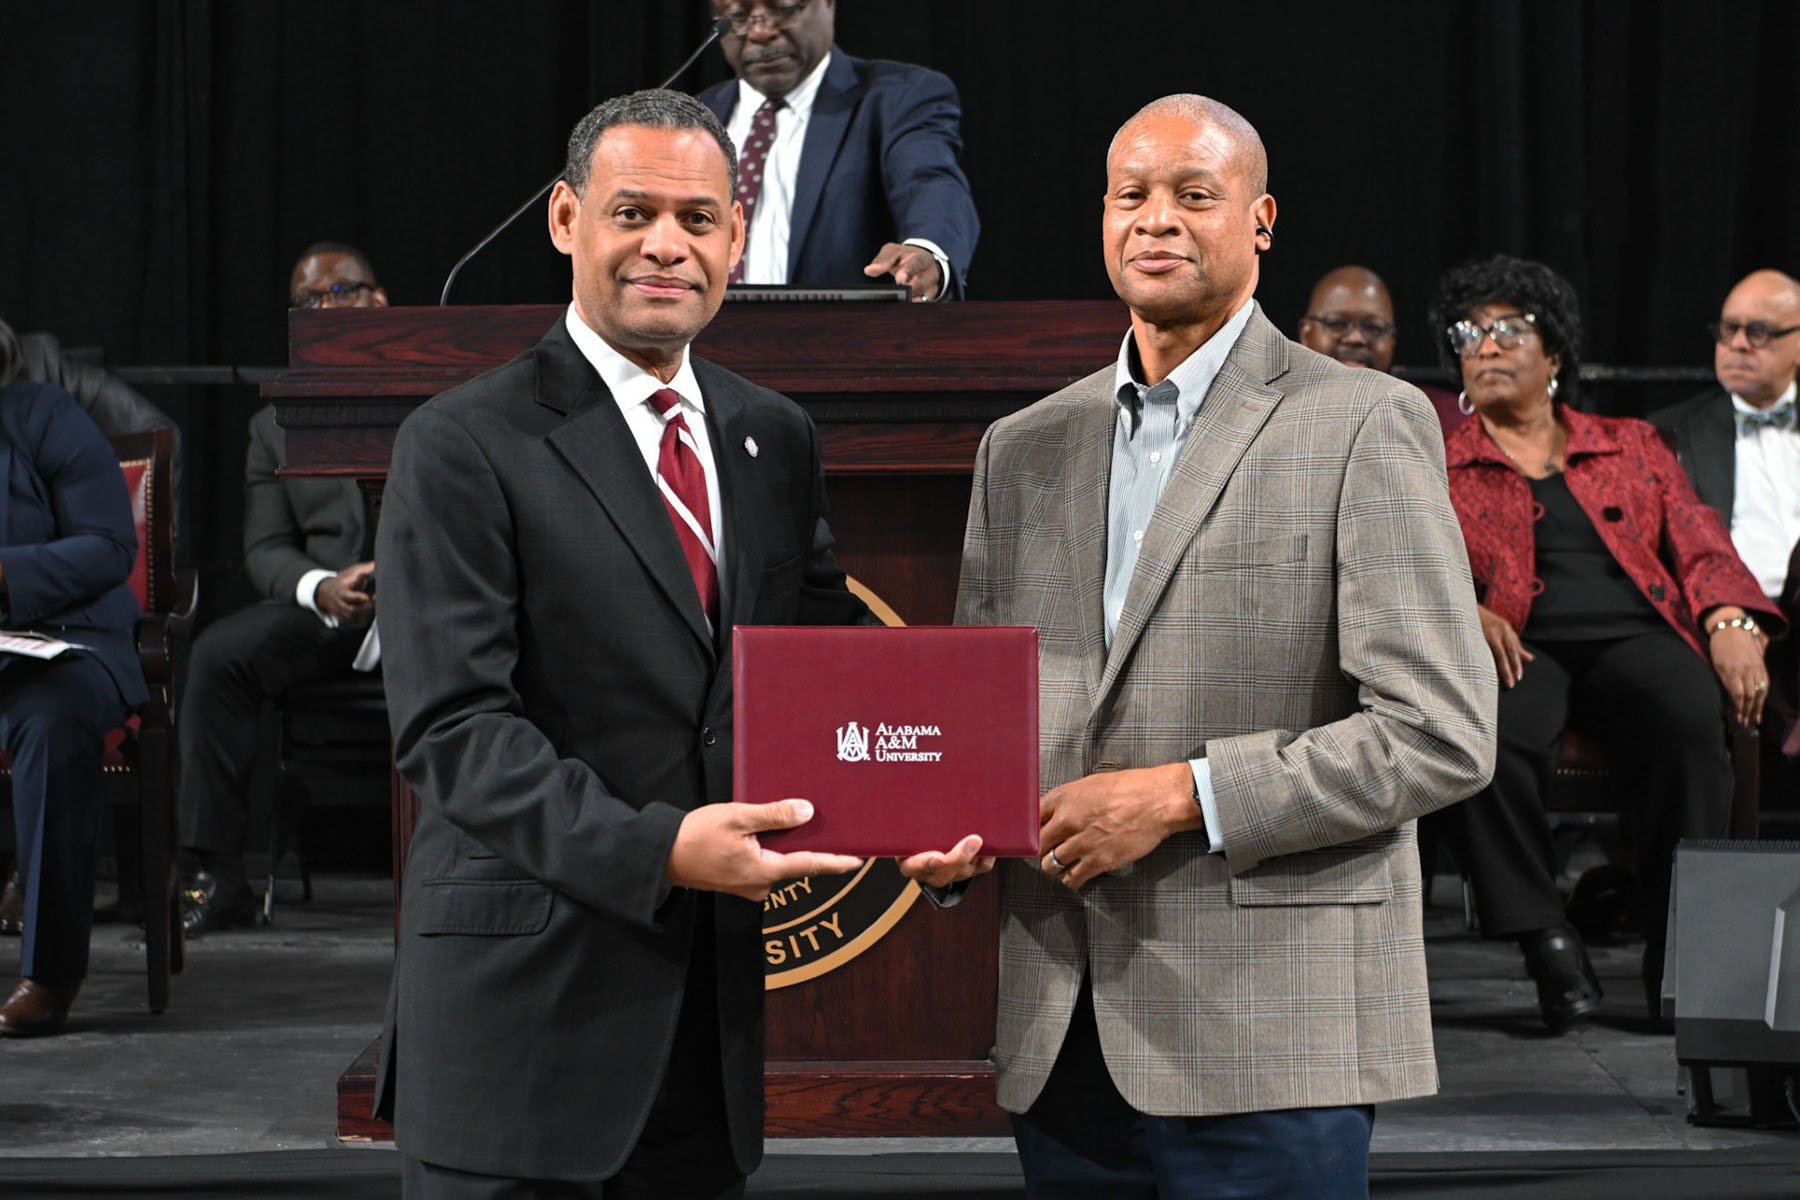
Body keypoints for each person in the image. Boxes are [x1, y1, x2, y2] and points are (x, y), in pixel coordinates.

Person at [900, 95, 1495, 1198]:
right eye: (1132, 196)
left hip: (1270, 1031)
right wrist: (953, 831)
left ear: (1261, 220)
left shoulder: (1363, 421)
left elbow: (1440, 735)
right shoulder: (1021, 449)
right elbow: (988, 726)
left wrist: (1183, 796)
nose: (1156, 220)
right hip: (1062, 1033)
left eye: (1194, 195)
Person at [374, 89, 872, 1197]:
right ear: (566, 219)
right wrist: (661, 852)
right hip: (523, 1041)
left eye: (699, 220)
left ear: (735, 240)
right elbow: (453, 732)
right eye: (633, 211)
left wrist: (927, 817)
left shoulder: (772, 437)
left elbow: (832, 683)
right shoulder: (460, 444)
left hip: (705, 1048)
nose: (667, 245)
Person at [1429, 254, 1782, 1031]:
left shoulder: (1631, 444)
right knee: (1480, 734)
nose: (1484, 346)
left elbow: (1700, 543)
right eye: (1470, 333)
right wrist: (1461, 608)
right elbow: (1403, 560)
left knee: (1692, 725)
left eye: (1507, 330)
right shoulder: (1437, 457)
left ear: (1554, 354)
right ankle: (1546, 938)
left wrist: (1728, 620)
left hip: (1634, 630)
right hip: (1519, 641)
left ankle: (1680, 958)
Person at [176, 243, 386, 934]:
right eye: (307, 302)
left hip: (436, 604)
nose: (321, 310)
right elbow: (265, 550)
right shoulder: (274, 424)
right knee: (218, 655)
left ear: (378, 302)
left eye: (338, 292)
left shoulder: (443, 393)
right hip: (336, 616)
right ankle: (219, 875)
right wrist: (322, 587)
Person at [0, 317, 147, 1036]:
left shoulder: (44, 417)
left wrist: (7, 573)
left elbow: (110, 547)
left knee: (49, 725)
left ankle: (49, 973)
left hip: (63, 642)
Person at [696, 0, 979, 299]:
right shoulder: (694, 119)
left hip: (842, 340)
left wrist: (927, 249)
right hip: (705, 340)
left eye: (782, 8)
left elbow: (929, 181)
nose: (761, 32)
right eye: (738, 16)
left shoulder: (897, 97)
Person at [1650, 269, 1800, 809]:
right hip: (1726, 612)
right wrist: (1730, 614)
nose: (1737, 343)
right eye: (1728, 329)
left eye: (1758, 331)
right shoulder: (1666, 434)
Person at [1298, 264, 1465, 432]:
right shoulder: (1276, 411)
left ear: (1392, 340)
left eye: (1373, 328)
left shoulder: (1439, 419)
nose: (1356, 338)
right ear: (1306, 333)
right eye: (1338, 324)